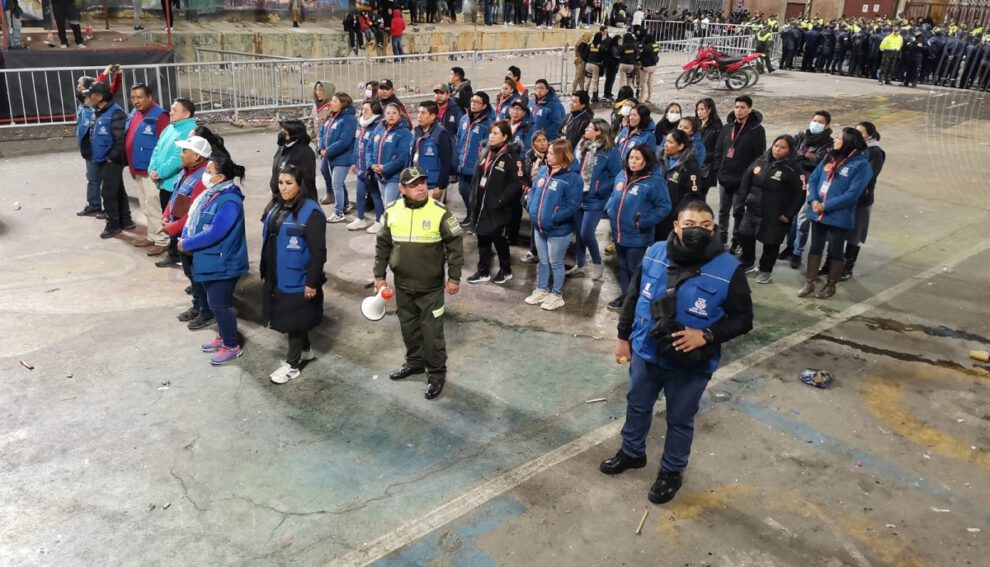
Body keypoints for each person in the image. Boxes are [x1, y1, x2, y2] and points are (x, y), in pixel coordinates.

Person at [603, 198, 753, 505]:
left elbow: (743, 319)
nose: (697, 231)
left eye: (705, 226)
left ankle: (672, 471)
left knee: (680, 419)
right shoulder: (655, 253)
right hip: (646, 352)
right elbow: (633, 296)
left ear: (714, 229)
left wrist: (707, 335)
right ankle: (632, 453)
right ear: (675, 226)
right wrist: (623, 337)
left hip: (690, 364)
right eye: (689, 225)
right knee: (637, 405)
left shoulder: (729, 269)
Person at [374, 167, 464, 400]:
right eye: (415, 185)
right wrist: (379, 276)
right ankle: (414, 362)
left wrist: (454, 277)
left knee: (432, 332)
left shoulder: (441, 212)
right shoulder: (392, 211)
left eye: (423, 183)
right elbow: (382, 245)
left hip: (431, 288)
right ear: (402, 189)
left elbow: (455, 245)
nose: (422, 187)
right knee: (409, 328)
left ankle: (436, 373)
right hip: (402, 285)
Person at [179, 149, 250, 366]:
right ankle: (224, 335)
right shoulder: (214, 194)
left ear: (220, 178)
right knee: (215, 302)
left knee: (220, 304)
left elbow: (215, 232)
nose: (205, 175)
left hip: (224, 262)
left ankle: (231, 345)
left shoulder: (229, 201)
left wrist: (187, 244)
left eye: (209, 171)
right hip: (212, 259)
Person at [263, 164, 328, 384]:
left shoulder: (312, 213)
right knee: (294, 319)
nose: (283, 187)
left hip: (298, 279)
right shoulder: (278, 207)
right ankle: (306, 349)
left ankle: (292, 366)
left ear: (300, 185)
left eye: (289, 183)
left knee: (294, 322)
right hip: (279, 275)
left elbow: (319, 252)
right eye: (281, 182)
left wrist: (312, 282)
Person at [799, 128, 872, 300]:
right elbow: (815, 178)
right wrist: (813, 200)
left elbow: (852, 194)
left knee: (835, 250)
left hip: (839, 216)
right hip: (817, 213)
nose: (835, 140)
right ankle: (810, 282)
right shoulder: (830, 157)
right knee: (815, 247)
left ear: (848, 142)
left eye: (839, 138)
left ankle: (831, 285)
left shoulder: (862, 166)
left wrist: (825, 206)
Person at [605, 144, 671, 310]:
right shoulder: (622, 175)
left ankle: (635, 301)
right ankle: (625, 296)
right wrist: (610, 209)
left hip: (638, 236)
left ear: (646, 161)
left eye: (637, 158)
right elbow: (614, 196)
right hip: (619, 232)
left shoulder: (654, 182)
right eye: (631, 158)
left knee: (635, 270)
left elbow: (665, 207)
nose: (632, 162)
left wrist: (643, 221)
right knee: (622, 267)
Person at [736, 135, 804, 284]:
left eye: (782, 147)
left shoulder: (793, 168)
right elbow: (746, 181)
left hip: (775, 214)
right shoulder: (761, 161)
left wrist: (788, 214)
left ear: (790, 150)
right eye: (776, 146)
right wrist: (742, 201)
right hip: (752, 209)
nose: (777, 150)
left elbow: (800, 194)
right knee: (745, 235)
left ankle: (765, 270)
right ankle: (748, 263)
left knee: (771, 243)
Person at [525, 139, 583, 311]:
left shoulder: (573, 179)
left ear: (562, 155)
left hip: (558, 230)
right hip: (539, 227)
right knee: (542, 261)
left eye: (551, 153)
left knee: (556, 263)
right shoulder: (543, 171)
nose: (547, 156)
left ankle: (557, 295)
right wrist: (531, 207)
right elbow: (534, 190)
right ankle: (542, 289)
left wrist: (554, 217)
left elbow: (573, 205)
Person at [467, 120, 525, 285]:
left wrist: (501, 200)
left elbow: (518, 183)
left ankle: (506, 270)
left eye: (496, 133)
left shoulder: (512, 157)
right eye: (491, 133)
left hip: (499, 208)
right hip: (483, 205)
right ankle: (483, 271)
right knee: (482, 238)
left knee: (499, 240)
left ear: (505, 136)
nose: (491, 136)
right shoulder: (488, 152)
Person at [167, 135, 213, 329]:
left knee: (197, 274)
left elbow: (193, 212)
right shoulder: (186, 172)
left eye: (185, 151)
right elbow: (175, 196)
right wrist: (166, 215)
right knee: (189, 272)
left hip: (190, 234)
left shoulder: (202, 179)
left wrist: (173, 227)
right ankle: (197, 305)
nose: (181, 154)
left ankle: (206, 311)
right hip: (180, 232)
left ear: (196, 156)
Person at [147, 98, 198, 267]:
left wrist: (160, 173)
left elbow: (178, 159)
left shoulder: (190, 131)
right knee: (167, 217)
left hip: (178, 185)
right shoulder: (169, 128)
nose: (170, 112)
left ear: (186, 113)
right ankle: (173, 251)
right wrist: (153, 169)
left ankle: (179, 254)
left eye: (175, 110)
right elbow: (157, 149)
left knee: (178, 220)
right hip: (165, 184)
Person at [712, 95, 766, 255]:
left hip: (742, 181)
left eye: (742, 107)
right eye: (736, 107)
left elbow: (759, 157)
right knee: (723, 211)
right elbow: (719, 150)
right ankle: (722, 239)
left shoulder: (756, 131)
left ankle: (736, 241)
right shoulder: (728, 127)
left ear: (749, 109)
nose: (738, 110)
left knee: (738, 212)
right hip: (725, 177)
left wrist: (747, 178)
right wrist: (719, 169)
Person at [571, 118, 621, 280]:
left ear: (599, 131)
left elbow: (616, 176)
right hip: (580, 195)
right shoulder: (585, 147)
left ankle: (597, 264)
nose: (586, 129)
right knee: (578, 233)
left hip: (595, 199)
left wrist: (599, 189)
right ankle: (579, 265)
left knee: (586, 233)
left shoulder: (611, 151)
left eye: (590, 127)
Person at [783, 110, 833, 269]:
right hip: (794, 182)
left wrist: (802, 156)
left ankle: (798, 252)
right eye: (814, 120)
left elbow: (818, 163)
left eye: (820, 122)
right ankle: (789, 247)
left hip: (810, 185)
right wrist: (805, 156)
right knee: (790, 218)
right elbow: (791, 156)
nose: (816, 124)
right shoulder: (801, 137)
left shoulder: (828, 144)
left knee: (802, 222)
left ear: (827, 125)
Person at [124, 84, 171, 255]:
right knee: (145, 205)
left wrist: (159, 170)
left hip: (152, 171)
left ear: (149, 97)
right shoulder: (134, 114)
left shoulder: (160, 116)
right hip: (137, 168)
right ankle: (152, 236)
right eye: (133, 97)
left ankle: (162, 239)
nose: (136, 101)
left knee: (154, 206)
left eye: (140, 97)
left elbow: (165, 145)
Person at [83, 82, 131, 239]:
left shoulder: (115, 113)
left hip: (111, 161)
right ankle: (126, 220)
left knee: (108, 193)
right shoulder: (100, 111)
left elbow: (120, 140)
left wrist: (111, 158)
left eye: (90, 95)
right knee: (117, 190)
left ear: (99, 97)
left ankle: (114, 225)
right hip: (102, 159)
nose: (88, 98)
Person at [841, 122, 884, 281]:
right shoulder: (854, 149)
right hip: (845, 197)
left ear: (870, 135)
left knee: (855, 234)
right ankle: (833, 265)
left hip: (861, 200)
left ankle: (847, 267)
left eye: (861, 133)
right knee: (839, 232)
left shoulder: (875, 152)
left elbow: (868, 176)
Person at [455, 92, 495, 224]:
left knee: (476, 195)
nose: (473, 104)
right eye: (472, 101)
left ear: (484, 105)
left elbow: (489, 146)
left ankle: (477, 218)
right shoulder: (464, 119)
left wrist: (483, 163)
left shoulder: (488, 124)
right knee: (462, 191)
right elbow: (459, 140)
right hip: (462, 164)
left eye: (477, 102)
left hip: (476, 166)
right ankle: (470, 214)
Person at [319, 92, 358, 224]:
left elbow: (344, 141)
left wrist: (327, 151)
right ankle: (345, 204)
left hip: (343, 158)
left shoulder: (349, 119)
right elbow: (322, 133)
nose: (331, 103)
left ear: (343, 104)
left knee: (336, 184)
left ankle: (339, 212)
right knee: (339, 183)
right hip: (330, 156)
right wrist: (321, 148)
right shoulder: (332, 117)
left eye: (335, 101)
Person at [655, 129, 700, 241]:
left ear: (680, 146)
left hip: (673, 216)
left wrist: (677, 212)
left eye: (670, 142)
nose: (665, 145)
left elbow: (692, 195)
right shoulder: (660, 160)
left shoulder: (690, 166)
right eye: (666, 141)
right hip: (656, 212)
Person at [369, 102, 414, 208]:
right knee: (388, 206)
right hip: (379, 175)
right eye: (388, 113)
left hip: (394, 177)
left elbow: (402, 157)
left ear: (399, 115)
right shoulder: (378, 129)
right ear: (384, 115)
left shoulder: (404, 133)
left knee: (389, 207)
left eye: (394, 113)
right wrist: (371, 164)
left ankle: (390, 224)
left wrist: (385, 167)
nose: (391, 115)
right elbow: (369, 148)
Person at [410, 100, 454, 204]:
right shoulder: (416, 132)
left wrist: (440, 186)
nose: (419, 116)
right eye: (418, 112)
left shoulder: (441, 134)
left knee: (430, 218)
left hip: (432, 185)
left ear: (433, 116)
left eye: (423, 113)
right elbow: (411, 157)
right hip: (416, 182)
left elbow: (446, 162)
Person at [351, 100, 385, 233]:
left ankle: (379, 220)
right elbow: (357, 145)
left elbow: (375, 150)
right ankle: (360, 218)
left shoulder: (378, 127)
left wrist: (370, 166)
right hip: (360, 167)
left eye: (366, 110)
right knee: (359, 193)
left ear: (375, 112)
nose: (363, 112)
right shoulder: (361, 125)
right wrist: (355, 162)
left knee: (375, 194)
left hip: (369, 168)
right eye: (362, 109)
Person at [74, 77, 103, 218]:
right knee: (92, 177)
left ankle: (97, 206)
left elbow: (97, 84)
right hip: (86, 147)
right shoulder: (81, 104)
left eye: (80, 86)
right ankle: (95, 204)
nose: (77, 88)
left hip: (95, 148)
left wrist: (106, 73)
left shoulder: (95, 107)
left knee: (96, 178)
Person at [270, 119, 318, 203]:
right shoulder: (283, 148)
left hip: (297, 201)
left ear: (294, 132)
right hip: (281, 197)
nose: (282, 132)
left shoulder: (305, 152)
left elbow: (307, 181)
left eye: (285, 130)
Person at [694, 98, 722, 201]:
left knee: (700, 198)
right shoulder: (696, 124)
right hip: (694, 165)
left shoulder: (717, 127)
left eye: (702, 109)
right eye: (698, 109)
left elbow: (718, 150)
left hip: (706, 169)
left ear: (709, 110)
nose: (699, 112)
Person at [530, 79, 564, 145]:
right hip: (532, 139)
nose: (539, 90)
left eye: (542, 88)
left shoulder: (554, 105)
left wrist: (545, 138)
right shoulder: (531, 102)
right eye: (537, 88)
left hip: (544, 141)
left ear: (547, 90)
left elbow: (557, 124)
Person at [584, 33, 606, 102]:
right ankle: (594, 97)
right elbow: (603, 57)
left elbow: (585, 55)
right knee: (595, 81)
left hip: (588, 64)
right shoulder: (601, 47)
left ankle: (584, 95)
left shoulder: (590, 45)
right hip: (596, 65)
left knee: (587, 80)